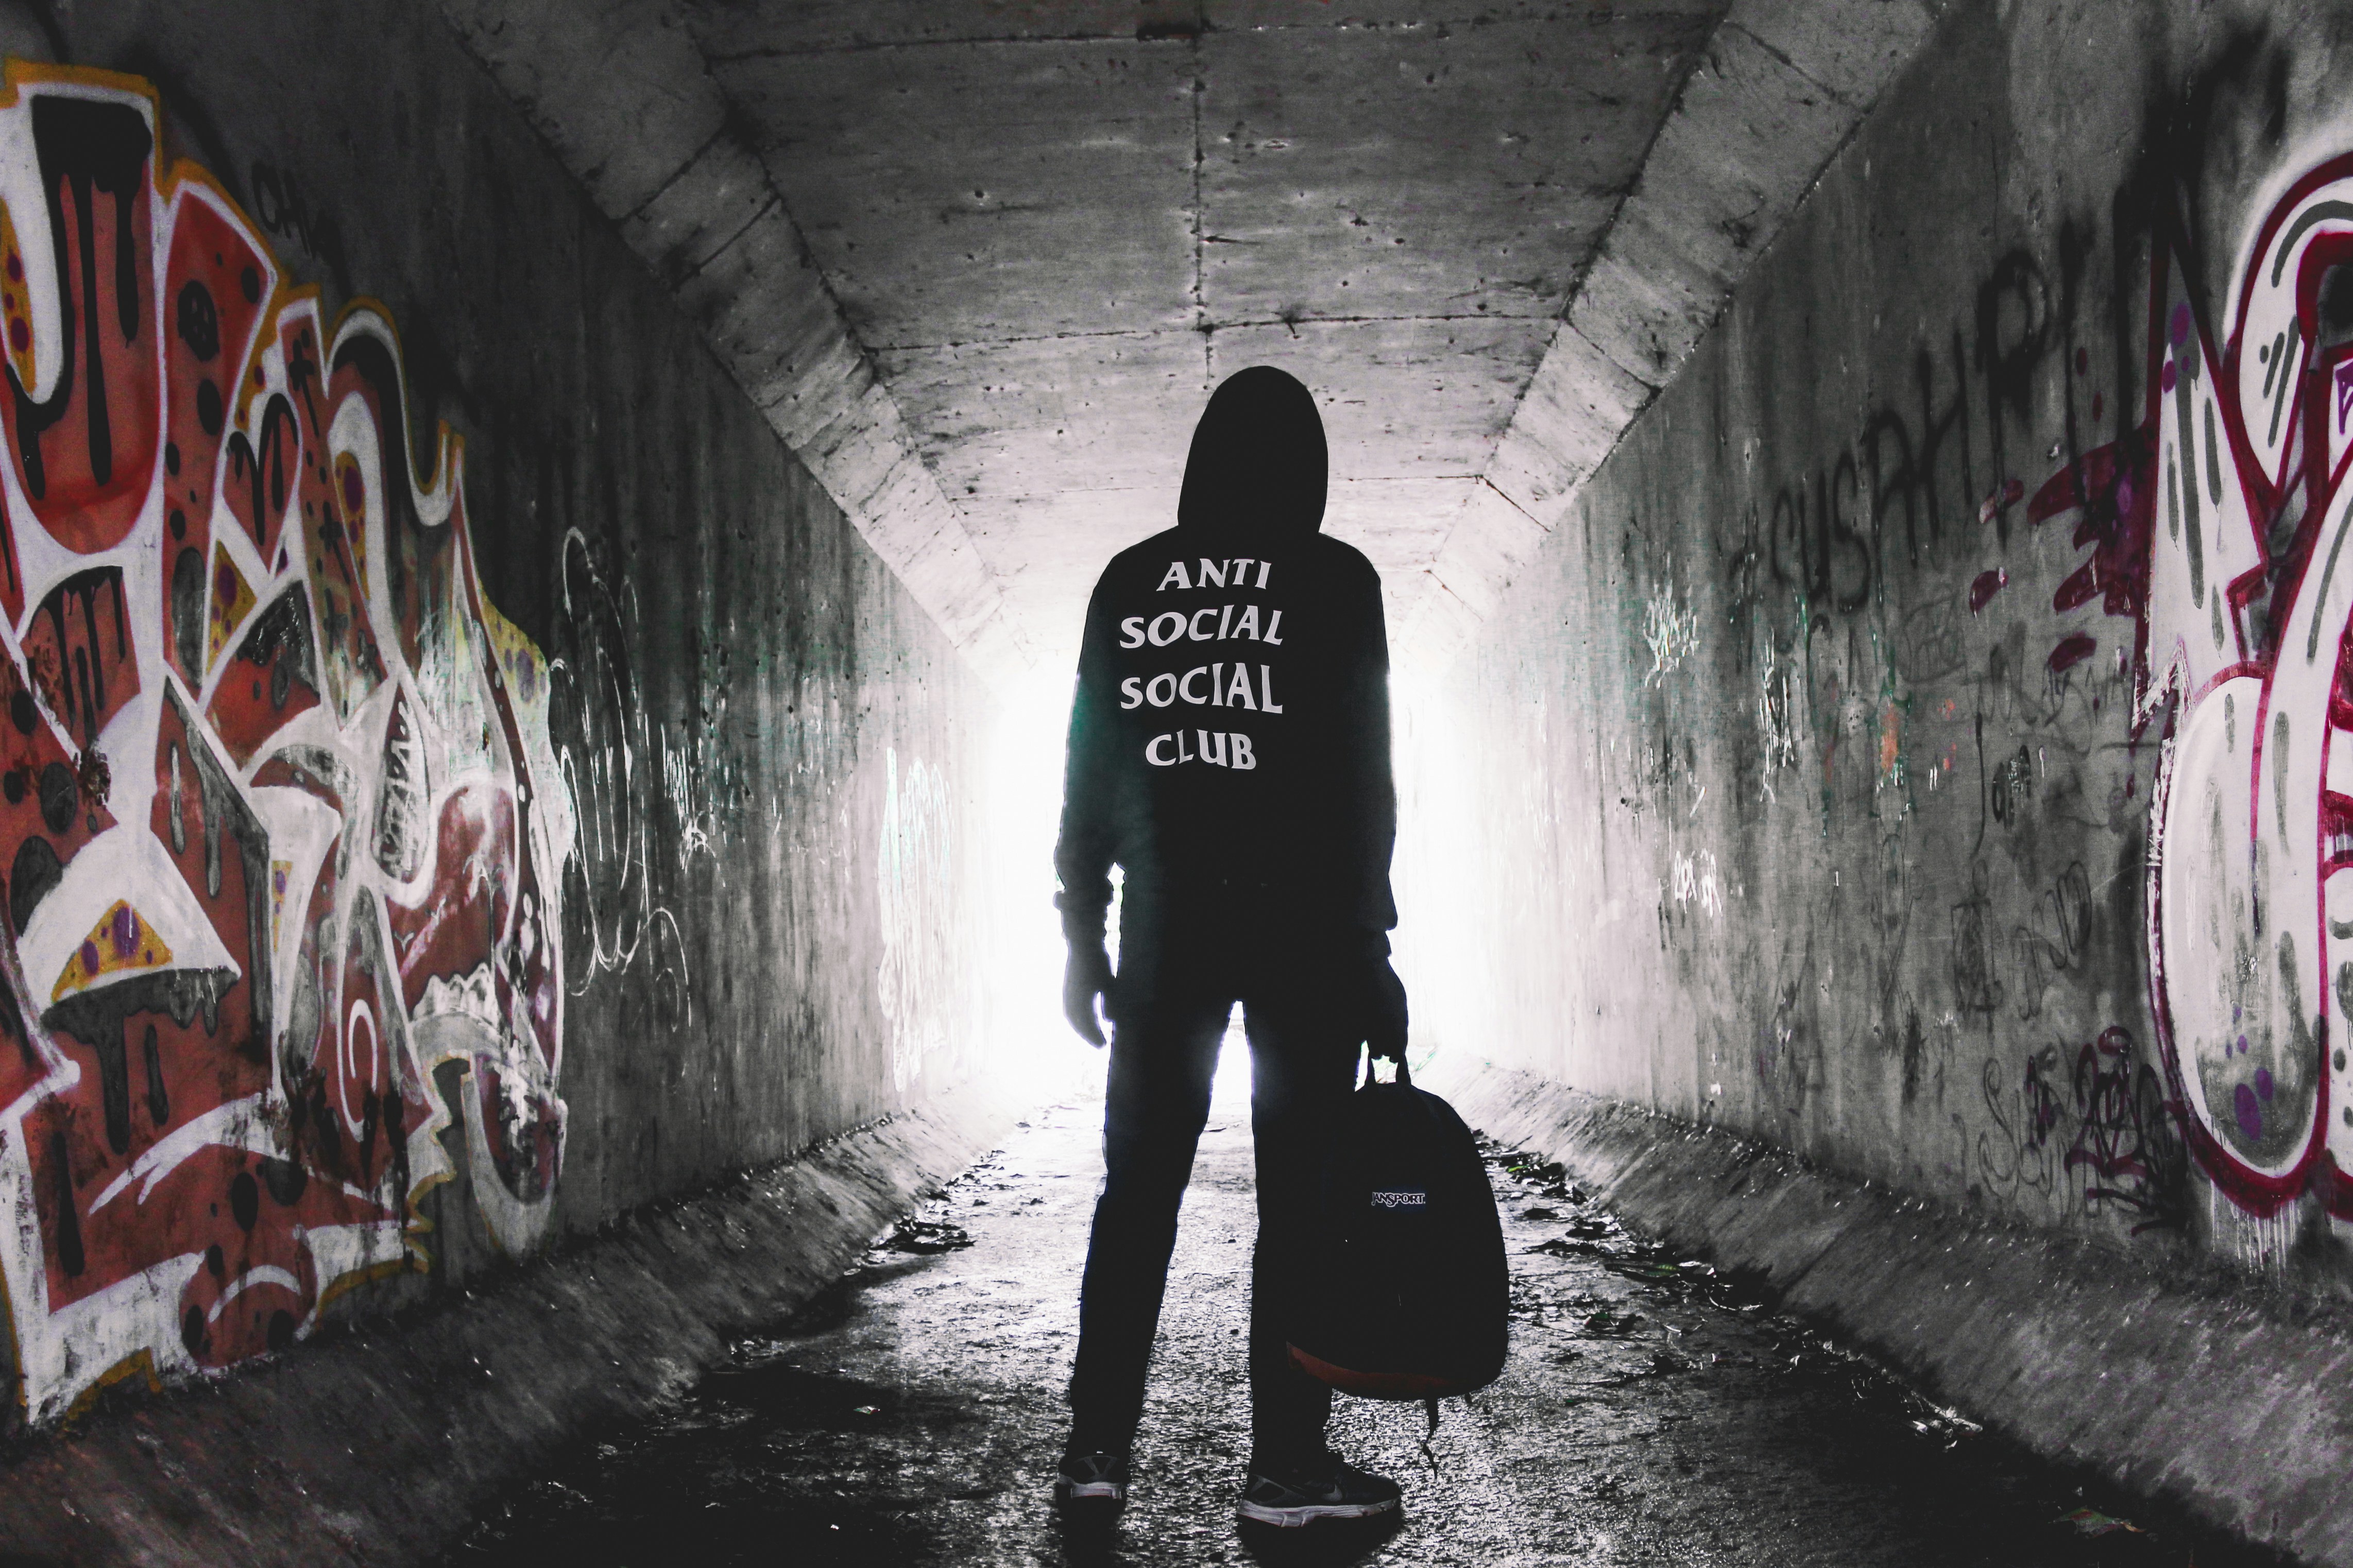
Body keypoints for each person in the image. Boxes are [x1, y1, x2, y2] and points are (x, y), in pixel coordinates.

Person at [1050, 365, 1411, 1528]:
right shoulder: (1336, 580)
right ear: (1305, 468)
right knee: (1297, 1204)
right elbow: (1364, 786)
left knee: (1136, 1195)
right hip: (1303, 939)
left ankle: (1096, 1453)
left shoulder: (1131, 583)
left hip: (1168, 933)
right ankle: (1283, 1472)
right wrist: (1372, 948)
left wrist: (1080, 931)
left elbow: (1090, 770)